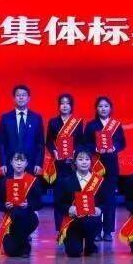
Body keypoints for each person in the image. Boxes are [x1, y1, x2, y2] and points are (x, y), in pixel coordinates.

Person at [83, 96, 126, 241]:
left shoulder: (116, 125)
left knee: (110, 200)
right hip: (95, 166)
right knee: (95, 199)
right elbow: (84, 144)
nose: (103, 109)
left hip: (111, 167)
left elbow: (122, 142)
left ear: (110, 108)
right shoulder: (91, 125)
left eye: (106, 106)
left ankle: (108, 231)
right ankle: (95, 231)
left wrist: (114, 147)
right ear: (96, 109)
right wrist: (95, 148)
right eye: (100, 106)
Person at [55, 150, 105, 257]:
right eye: (80, 159)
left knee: (89, 249)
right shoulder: (65, 181)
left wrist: (99, 209)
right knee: (73, 252)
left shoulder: (99, 181)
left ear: (91, 162)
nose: (84, 162)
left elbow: (105, 202)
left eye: (87, 159)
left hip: (91, 220)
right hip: (73, 222)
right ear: (75, 162)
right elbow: (59, 203)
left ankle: (90, 244)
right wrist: (69, 209)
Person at [45, 93, 84, 230]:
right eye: (62, 103)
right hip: (59, 165)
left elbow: (81, 142)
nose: (65, 106)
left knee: (75, 196)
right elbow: (49, 142)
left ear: (71, 106)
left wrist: (75, 152)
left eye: (67, 103)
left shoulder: (78, 122)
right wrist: (54, 151)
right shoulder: (53, 122)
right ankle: (60, 229)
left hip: (74, 166)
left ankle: (75, 227)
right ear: (59, 106)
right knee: (59, 197)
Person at [0, 152, 43, 258]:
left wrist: (28, 205)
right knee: (11, 251)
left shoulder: (33, 181)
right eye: (16, 160)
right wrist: (5, 206)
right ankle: (22, 244)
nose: (19, 163)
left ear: (26, 163)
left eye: (22, 160)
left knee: (20, 214)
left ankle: (25, 248)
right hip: (11, 219)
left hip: (29, 217)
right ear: (11, 162)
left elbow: (39, 203)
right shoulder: (5, 181)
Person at [0, 85, 44, 176]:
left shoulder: (36, 118)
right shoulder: (5, 118)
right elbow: (1, 143)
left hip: (31, 164)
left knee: (30, 186)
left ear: (28, 98)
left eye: (23, 95)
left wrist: (38, 163)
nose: (21, 97)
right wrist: (2, 163)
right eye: (18, 95)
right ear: (14, 98)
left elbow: (40, 143)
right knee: (11, 185)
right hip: (11, 164)